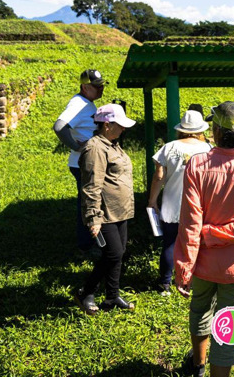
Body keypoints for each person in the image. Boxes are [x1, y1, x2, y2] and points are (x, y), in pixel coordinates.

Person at [175, 101, 234, 377]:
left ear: (215, 130)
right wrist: (220, 235)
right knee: (229, 325)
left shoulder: (197, 165)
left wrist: (184, 267)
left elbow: (190, 223)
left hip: (203, 263)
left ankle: (197, 365)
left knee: (200, 309)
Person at [72, 103, 136, 315]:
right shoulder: (95, 148)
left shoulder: (112, 144)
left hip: (120, 211)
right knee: (113, 254)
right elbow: (91, 186)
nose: (123, 129)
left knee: (119, 253)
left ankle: (112, 296)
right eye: (120, 125)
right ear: (107, 125)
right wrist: (93, 217)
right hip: (105, 213)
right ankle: (85, 292)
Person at [147, 110, 212, 296]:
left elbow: (158, 176)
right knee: (198, 244)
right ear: (200, 129)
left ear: (181, 129)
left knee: (169, 244)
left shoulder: (169, 147)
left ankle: (164, 285)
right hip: (199, 206)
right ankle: (195, 281)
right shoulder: (208, 149)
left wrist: (152, 201)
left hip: (171, 205)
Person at [53, 69, 107, 256]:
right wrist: (77, 147)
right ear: (85, 87)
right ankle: (87, 246)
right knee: (87, 204)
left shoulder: (86, 102)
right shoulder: (78, 103)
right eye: (96, 86)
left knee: (90, 201)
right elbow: (59, 127)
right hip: (83, 163)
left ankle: (91, 242)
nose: (100, 89)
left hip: (87, 162)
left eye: (102, 85)